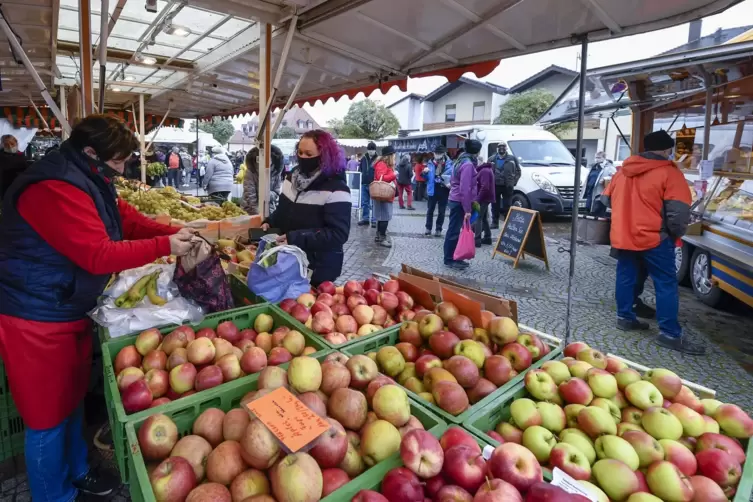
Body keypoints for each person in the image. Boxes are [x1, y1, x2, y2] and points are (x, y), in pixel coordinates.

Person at [0, 115, 196, 502]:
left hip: (67, 305)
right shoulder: (53, 187)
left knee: (69, 401)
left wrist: (173, 232)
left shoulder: (88, 176)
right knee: (45, 418)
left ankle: (77, 472)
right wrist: (164, 247)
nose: (122, 170)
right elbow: (97, 254)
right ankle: (52, 496)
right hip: (35, 314)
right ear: (91, 152)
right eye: (119, 162)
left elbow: (123, 218)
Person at [602, 130, 704, 355]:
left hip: (623, 235)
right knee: (665, 284)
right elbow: (678, 215)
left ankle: (625, 318)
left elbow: (605, 199)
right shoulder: (670, 174)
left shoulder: (622, 172)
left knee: (626, 277)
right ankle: (669, 333)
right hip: (654, 238)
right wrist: (673, 234)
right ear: (667, 150)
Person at [262, 130, 350, 286]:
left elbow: (338, 234)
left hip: (318, 268)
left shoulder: (337, 188)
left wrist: (296, 237)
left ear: (324, 156)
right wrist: (270, 222)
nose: (303, 158)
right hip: (288, 262)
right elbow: (284, 210)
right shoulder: (291, 178)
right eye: (300, 152)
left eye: (309, 154)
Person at [444, 139, 479, 270]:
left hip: (455, 199)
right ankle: (450, 259)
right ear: (477, 151)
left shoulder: (460, 160)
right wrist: (468, 209)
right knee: (454, 231)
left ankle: (452, 257)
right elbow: (465, 188)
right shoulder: (468, 164)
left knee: (453, 229)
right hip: (459, 201)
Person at [241, 145, 284, 215]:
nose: (265, 160)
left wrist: (267, 194)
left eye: (268, 157)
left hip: (269, 209)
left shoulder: (276, 172)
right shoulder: (251, 171)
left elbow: (277, 192)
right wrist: (257, 213)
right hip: (250, 210)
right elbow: (249, 194)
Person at [490, 142, 520, 228]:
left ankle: (508, 224)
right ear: (497, 148)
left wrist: (513, 182)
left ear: (506, 148)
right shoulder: (492, 159)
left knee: (508, 205)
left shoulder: (512, 159)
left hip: (508, 186)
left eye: (503, 147)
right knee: (495, 205)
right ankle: (495, 223)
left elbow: (518, 171)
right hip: (495, 185)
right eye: (499, 147)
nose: (501, 148)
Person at [372, 146, 398, 247]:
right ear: (389, 156)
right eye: (393, 154)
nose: (394, 156)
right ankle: (382, 238)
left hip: (384, 194)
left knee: (382, 217)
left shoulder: (384, 164)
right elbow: (380, 178)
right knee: (384, 217)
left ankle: (378, 236)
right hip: (383, 195)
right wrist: (394, 175)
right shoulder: (382, 164)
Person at [425, 145, 453, 237]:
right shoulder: (430, 163)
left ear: (443, 153)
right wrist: (424, 173)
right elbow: (426, 178)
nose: (437, 155)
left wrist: (447, 181)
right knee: (430, 210)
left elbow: (452, 176)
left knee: (442, 211)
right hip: (432, 189)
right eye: (435, 153)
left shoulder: (449, 163)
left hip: (444, 189)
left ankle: (438, 229)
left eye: (439, 153)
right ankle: (428, 228)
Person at [583, 151, 616, 216]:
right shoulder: (594, 167)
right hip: (590, 192)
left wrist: (605, 179)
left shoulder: (610, 167)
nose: (596, 159)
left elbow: (615, 177)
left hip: (600, 193)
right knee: (588, 210)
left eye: (599, 157)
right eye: (596, 157)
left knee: (598, 211)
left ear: (604, 158)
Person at [475, 160, 495, 247]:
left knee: (478, 218)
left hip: (484, 198)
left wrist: (477, 199)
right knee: (483, 218)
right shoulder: (485, 169)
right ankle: (487, 237)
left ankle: (477, 240)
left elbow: (485, 187)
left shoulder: (484, 171)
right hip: (486, 197)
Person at [357, 142, 378, 227]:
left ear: (375, 150)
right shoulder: (363, 158)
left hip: (374, 184)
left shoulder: (378, 159)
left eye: (372, 150)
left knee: (373, 203)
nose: (370, 152)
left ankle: (374, 220)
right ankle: (365, 219)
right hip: (364, 183)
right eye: (369, 150)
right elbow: (360, 170)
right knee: (365, 202)